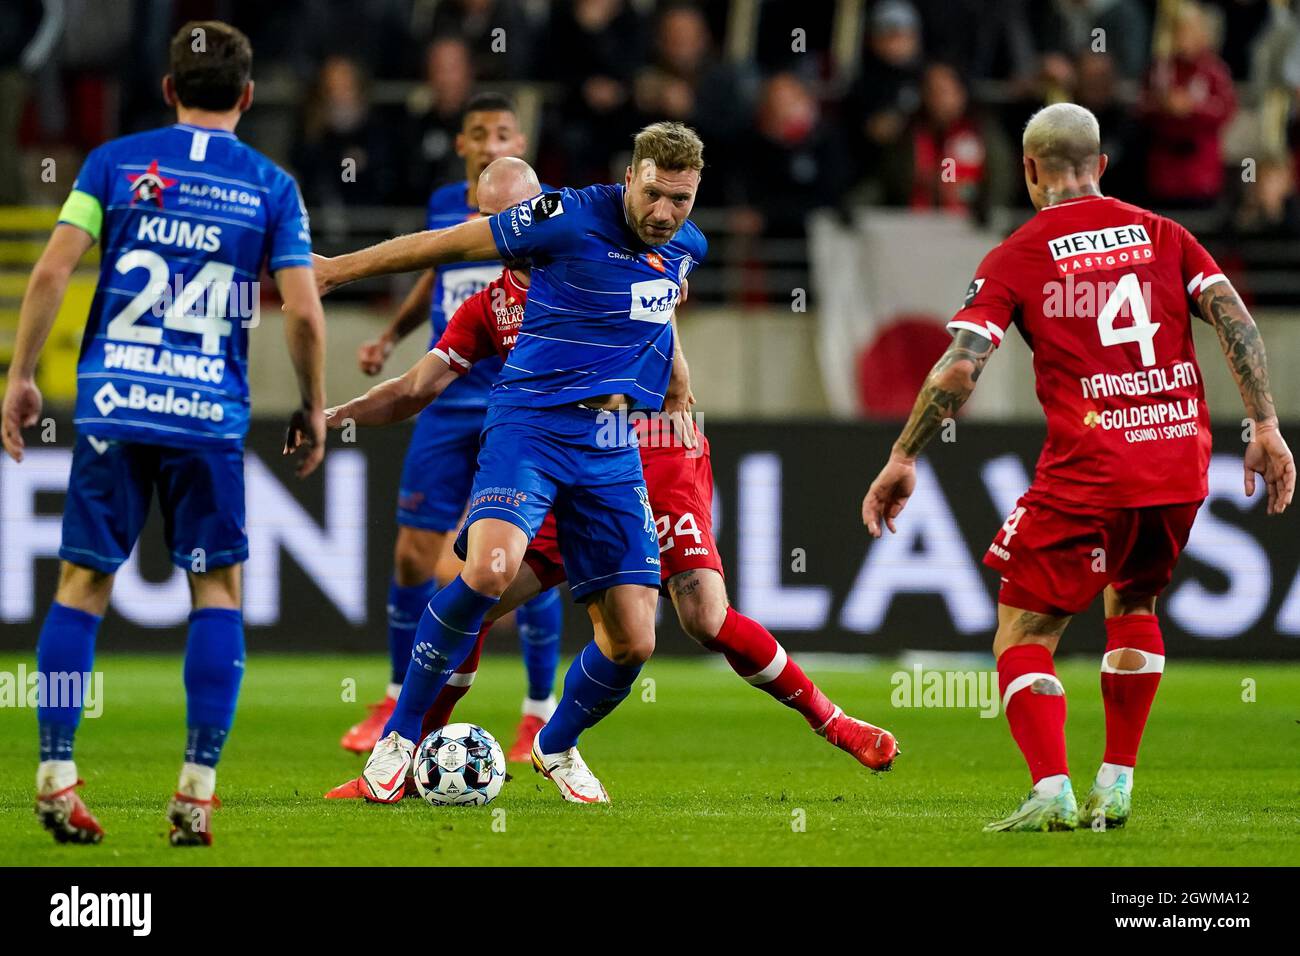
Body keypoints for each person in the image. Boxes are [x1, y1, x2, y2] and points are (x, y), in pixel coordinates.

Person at [322, 158, 899, 803]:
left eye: (505, 216)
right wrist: (341, 405)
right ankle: (400, 758)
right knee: (478, 586)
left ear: (537, 208)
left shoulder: (633, 235)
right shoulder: (490, 306)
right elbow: (418, 376)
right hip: (550, 442)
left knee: (693, 620)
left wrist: (679, 385)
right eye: (487, 218)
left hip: (647, 444)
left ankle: (822, 721)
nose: (498, 230)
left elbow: (657, 295)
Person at [861, 102, 1294, 832]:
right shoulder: (1166, 234)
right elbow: (1234, 317)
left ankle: (1052, 788)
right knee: (1134, 602)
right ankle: (1117, 781)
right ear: (1102, 166)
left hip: (1091, 470)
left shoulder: (1020, 253)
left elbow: (961, 369)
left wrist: (904, 455)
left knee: (1023, 633)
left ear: (1029, 170)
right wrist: (1265, 424)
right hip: (1178, 461)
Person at [0, 20, 327, 846]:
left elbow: (51, 269)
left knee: (81, 586)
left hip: (114, 404)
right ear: (249, 97)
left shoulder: (113, 164)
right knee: (215, 592)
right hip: (205, 417)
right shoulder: (271, 185)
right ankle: (196, 789)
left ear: (167, 88)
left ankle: (53, 774)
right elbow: (305, 313)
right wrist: (313, 404)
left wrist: (21, 375)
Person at [313, 122, 707, 804]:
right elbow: (446, 244)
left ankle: (555, 743)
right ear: (630, 176)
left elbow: (658, 303)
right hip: (530, 424)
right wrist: (335, 270)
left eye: (682, 200)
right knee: (489, 570)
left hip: (612, 445)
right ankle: (400, 741)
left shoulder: (684, 246)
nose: (665, 214)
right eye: (654, 195)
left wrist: (677, 383)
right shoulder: (564, 217)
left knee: (636, 640)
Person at [339, 91, 563, 764]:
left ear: (519, 140)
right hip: (444, 394)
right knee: (412, 553)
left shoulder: (547, 210)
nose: (493, 142)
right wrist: (391, 333)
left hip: (513, 403)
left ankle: (536, 709)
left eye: (504, 132)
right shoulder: (445, 208)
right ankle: (394, 690)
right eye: (480, 133)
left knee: (500, 561)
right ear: (463, 144)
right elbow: (434, 272)